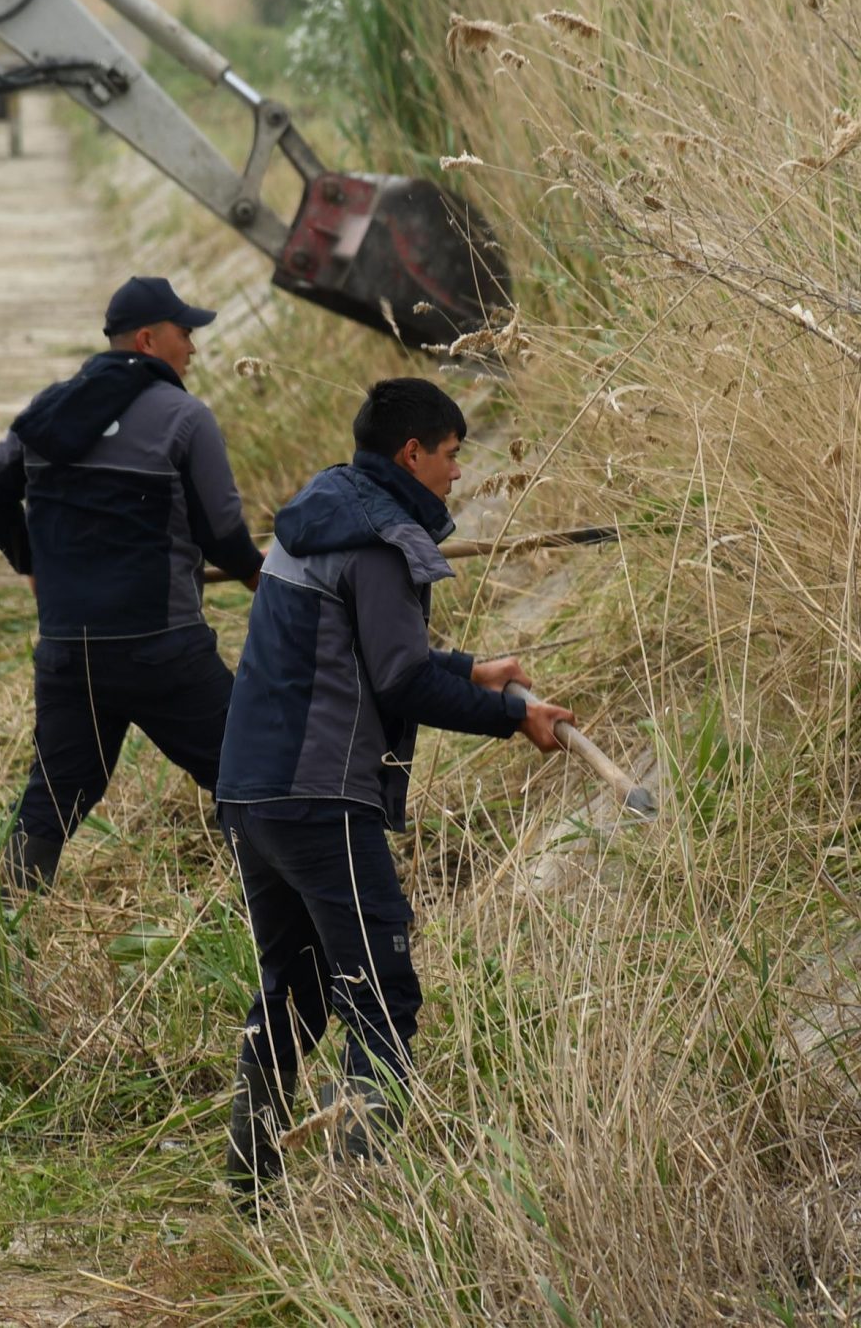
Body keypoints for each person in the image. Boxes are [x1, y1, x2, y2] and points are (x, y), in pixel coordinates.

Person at [214, 377, 570, 1192]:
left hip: (252, 791)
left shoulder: (320, 511)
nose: (455, 473)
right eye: (451, 455)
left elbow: (366, 653)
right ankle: (364, 1196)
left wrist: (473, 673)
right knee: (381, 994)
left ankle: (250, 1182)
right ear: (412, 452)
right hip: (319, 797)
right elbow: (402, 681)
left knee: (296, 989)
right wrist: (512, 718)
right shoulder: (380, 539)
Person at [0, 276, 264, 894]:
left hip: (69, 655)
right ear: (151, 339)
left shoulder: (46, 411)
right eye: (186, 334)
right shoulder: (185, 417)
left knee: (55, 797)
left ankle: (4, 935)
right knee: (255, 769)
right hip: (164, 651)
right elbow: (223, 534)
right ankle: (284, 915)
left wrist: (32, 563)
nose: (194, 348)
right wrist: (267, 580)